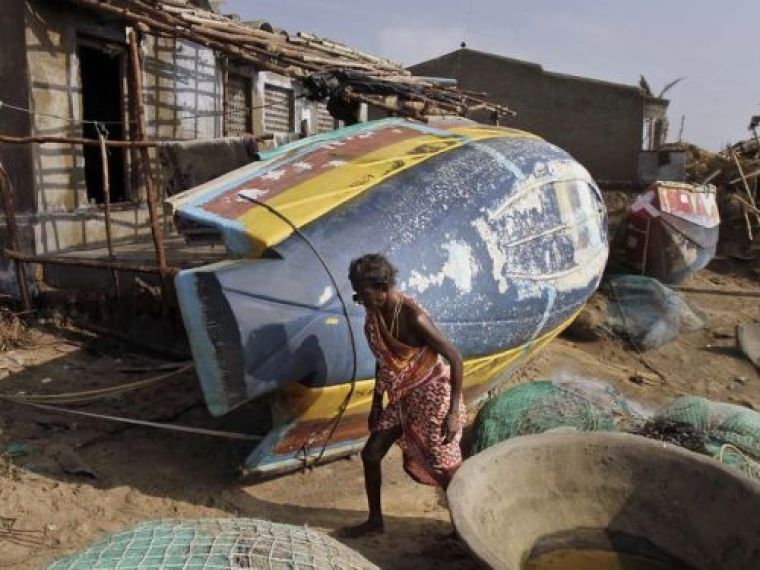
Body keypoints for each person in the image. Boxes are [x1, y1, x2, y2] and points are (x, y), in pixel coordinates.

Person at [341, 253, 465, 537]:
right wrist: (376, 402)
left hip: (434, 396)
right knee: (371, 454)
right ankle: (375, 521)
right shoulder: (375, 313)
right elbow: (384, 358)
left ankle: (464, 525)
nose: (361, 301)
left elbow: (455, 358)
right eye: (357, 295)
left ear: (382, 288)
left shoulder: (413, 317)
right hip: (402, 396)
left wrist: (453, 412)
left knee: (446, 467)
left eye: (363, 295)